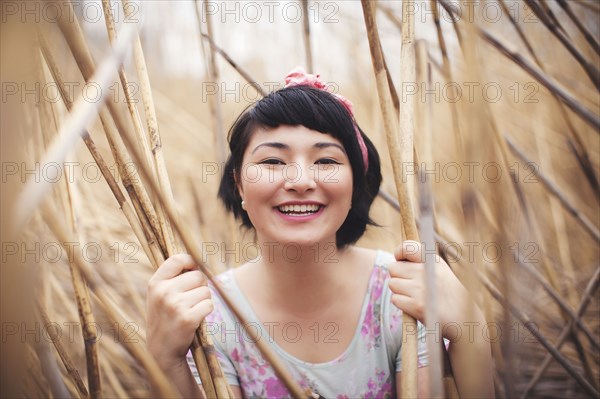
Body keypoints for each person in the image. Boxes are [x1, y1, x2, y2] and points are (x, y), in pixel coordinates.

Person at [146, 67, 494, 398]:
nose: (300, 181)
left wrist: (469, 326)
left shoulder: (401, 294)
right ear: (238, 184)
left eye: (326, 161)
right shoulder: (212, 314)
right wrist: (164, 359)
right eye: (272, 162)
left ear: (356, 183)